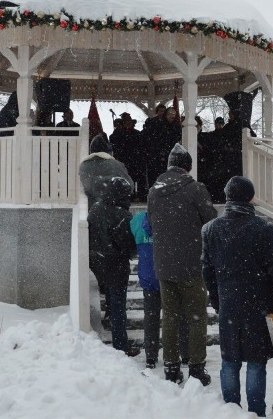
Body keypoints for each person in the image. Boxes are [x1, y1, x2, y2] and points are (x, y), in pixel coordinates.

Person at [202, 176, 273, 417]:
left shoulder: (211, 229)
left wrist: (216, 299)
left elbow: (207, 270)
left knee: (229, 361)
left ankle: (232, 410)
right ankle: (255, 412)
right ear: (250, 198)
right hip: (258, 303)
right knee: (255, 362)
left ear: (227, 197)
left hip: (229, 304)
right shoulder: (263, 229)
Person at [147, 143, 217, 385]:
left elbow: (150, 221)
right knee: (196, 316)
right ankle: (196, 367)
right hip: (191, 264)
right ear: (188, 167)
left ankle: (170, 366)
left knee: (170, 317)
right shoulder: (196, 189)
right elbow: (211, 223)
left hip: (164, 264)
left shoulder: (154, 191)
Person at [130, 209, 189, 370]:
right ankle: (184, 353)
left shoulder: (138, 220)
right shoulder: (172, 218)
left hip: (149, 276)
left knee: (151, 317)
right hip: (170, 276)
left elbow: (131, 240)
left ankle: (151, 355)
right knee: (179, 316)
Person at [87, 176, 138, 356]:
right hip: (116, 265)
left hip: (96, 263)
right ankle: (120, 345)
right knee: (118, 308)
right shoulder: (122, 215)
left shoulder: (95, 209)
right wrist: (132, 251)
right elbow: (127, 244)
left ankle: (107, 320)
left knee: (109, 298)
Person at [79, 135, 133, 210]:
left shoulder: (83, 166)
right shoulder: (116, 165)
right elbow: (129, 185)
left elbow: (84, 188)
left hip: (91, 208)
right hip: (115, 208)